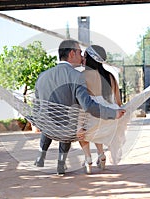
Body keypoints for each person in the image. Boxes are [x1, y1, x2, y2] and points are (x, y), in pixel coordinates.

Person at [34, 39, 125, 176]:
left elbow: (37, 104)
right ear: (72, 53)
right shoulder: (80, 76)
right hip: (82, 123)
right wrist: (114, 113)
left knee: (73, 123)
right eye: (80, 52)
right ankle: (65, 161)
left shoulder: (42, 75)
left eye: (84, 55)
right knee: (74, 125)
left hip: (48, 125)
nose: (82, 56)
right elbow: (91, 105)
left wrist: (36, 120)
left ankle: (46, 154)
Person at [80, 45, 124, 174]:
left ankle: (88, 158)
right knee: (97, 131)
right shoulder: (110, 76)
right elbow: (118, 101)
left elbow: (82, 101)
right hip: (110, 117)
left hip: (94, 114)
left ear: (90, 58)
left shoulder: (83, 76)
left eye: (85, 55)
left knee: (80, 131)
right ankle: (101, 155)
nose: (83, 58)